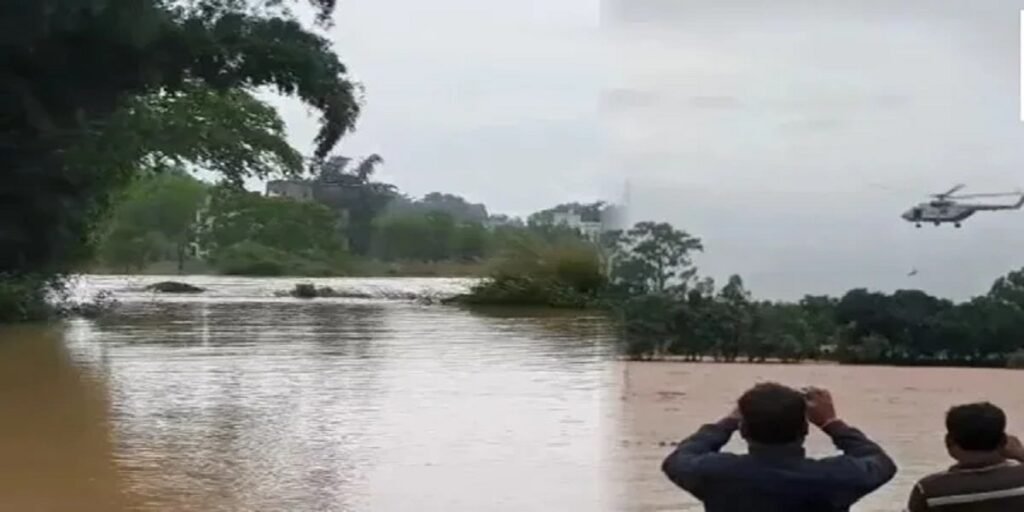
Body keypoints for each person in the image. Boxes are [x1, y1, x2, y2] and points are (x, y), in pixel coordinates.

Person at [661, 383, 897, 512]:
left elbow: (679, 458)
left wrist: (729, 421)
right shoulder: (834, 477)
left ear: (743, 431)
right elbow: (881, 463)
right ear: (805, 429)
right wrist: (831, 422)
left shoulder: (716, 474)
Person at [907, 402, 1024, 511]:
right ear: (1004, 441)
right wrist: (1020, 454)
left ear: (949, 442)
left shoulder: (929, 490)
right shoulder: (1020, 479)